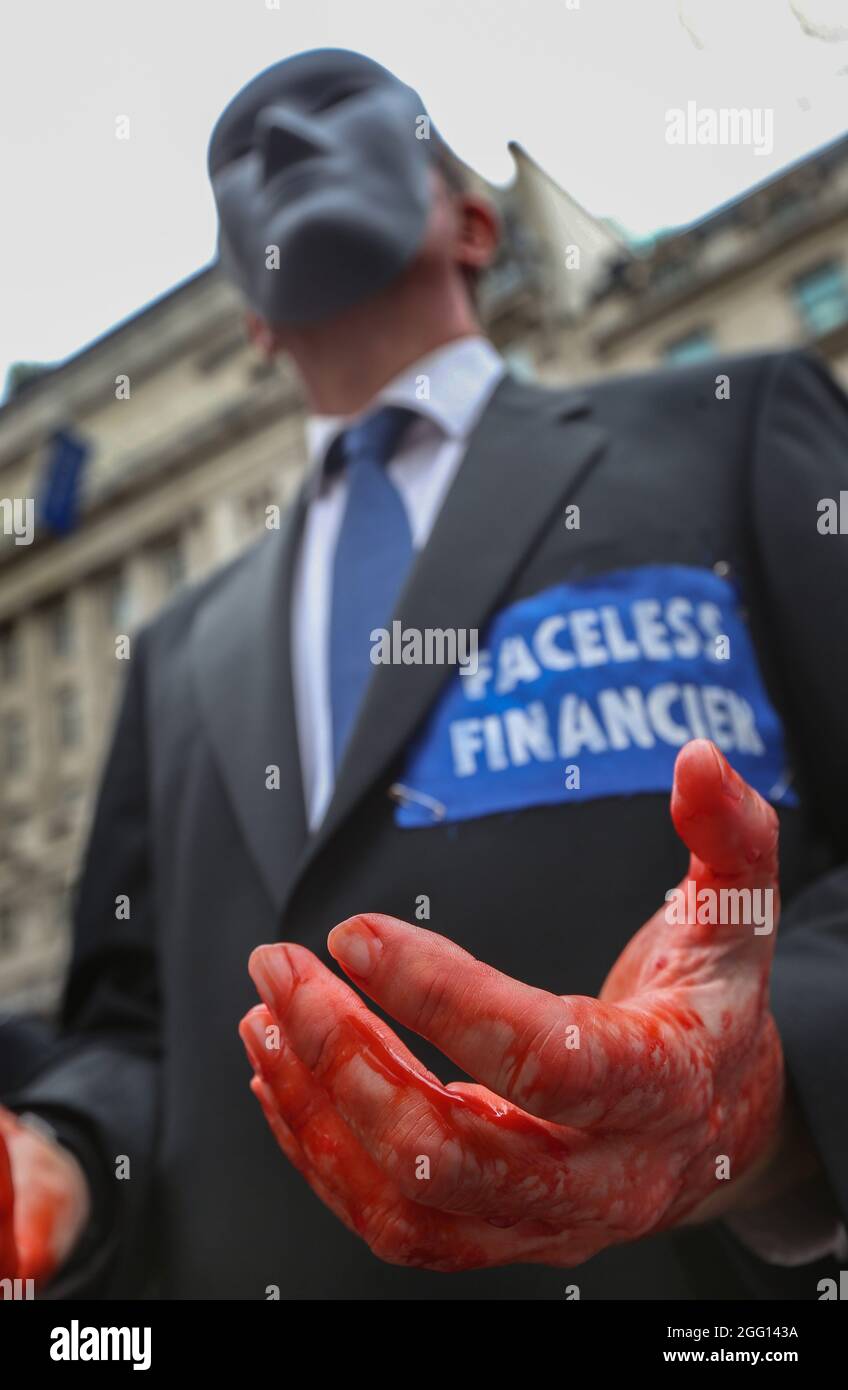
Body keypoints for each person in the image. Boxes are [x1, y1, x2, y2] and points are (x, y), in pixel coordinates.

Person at [1, 48, 847, 1301]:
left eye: (339, 107)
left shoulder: (730, 428)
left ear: (472, 220)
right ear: (249, 314)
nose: (275, 139)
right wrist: (64, 1159)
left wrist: (772, 1086)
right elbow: (132, 1027)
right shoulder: (176, 653)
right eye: (233, 156)